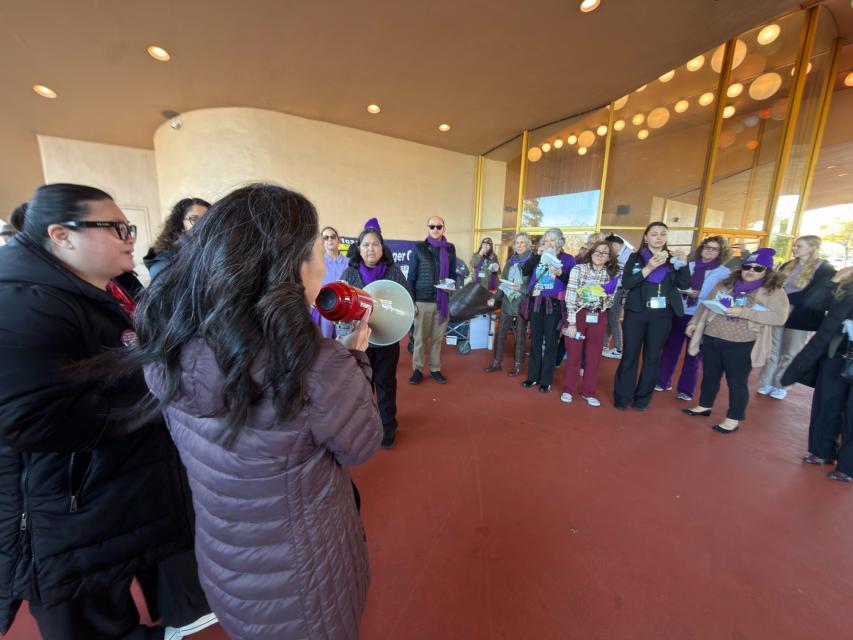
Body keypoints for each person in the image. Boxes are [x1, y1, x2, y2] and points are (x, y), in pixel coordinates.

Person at [131, 184, 382, 640]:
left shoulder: (167, 344)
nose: (325, 264)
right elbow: (362, 443)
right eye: (318, 251)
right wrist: (354, 360)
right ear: (292, 267)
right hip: (304, 584)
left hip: (227, 565)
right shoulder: (315, 366)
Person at [0, 183, 194, 639]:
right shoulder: (23, 304)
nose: (129, 236)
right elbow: (32, 419)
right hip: (63, 511)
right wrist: (159, 397)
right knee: (90, 623)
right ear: (61, 236)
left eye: (128, 226)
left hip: (111, 495)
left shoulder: (114, 288)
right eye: (114, 227)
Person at [683, 248, 789, 433]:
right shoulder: (726, 284)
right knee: (710, 375)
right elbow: (706, 304)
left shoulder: (773, 292)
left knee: (736, 382)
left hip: (742, 343)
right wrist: (694, 322)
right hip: (713, 337)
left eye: (758, 268)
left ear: (768, 271)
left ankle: (733, 418)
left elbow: (779, 317)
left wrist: (744, 312)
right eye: (748, 266)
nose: (751, 271)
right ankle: (705, 405)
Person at [339, 225, 410, 448]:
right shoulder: (350, 273)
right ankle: (365, 425)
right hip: (359, 339)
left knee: (386, 382)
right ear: (359, 249)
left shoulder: (394, 272)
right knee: (361, 383)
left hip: (387, 338)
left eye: (375, 244)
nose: (371, 248)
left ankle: (388, 425)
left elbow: (406, 300)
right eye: (366, 244)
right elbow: (342, 305)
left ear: (382, 249)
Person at [782, 266, 853, 482]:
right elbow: (813, 303)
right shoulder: (846, 287)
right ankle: (821, 451)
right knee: (826, 403)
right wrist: (834, 279)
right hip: (837, 354)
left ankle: (848, 466)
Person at [613, 222, 691, 411]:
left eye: (663, 234)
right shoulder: (636, 257)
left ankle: (642, 399)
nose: (658, 237)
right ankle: (622, 398)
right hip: (637, 313)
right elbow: (628, 283)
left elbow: (684, 284)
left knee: (652, 358)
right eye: (654, 234)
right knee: (630, 356)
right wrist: (648, 267)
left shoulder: (673, 259)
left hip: (662, 316)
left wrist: (684, 265)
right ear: (646, 237)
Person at [758, 235, 835, 400]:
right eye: (794, 246)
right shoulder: (787, 265)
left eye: (799, 246)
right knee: (774, 350)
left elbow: (817, 295)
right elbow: (773, 285)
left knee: (791, 352)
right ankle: (768, 382)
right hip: (779, 312)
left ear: (813, 247)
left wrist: (783, 299)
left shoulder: (825, 269)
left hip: (802, 317)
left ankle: (782, 384)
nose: (794, 249)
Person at [656, 236, 731, 400]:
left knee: (694, 353)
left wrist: (702, 296)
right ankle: (662, 381)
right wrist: (687, 291)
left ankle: (686, 389)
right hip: (680, 312)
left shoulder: (724, 273)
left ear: (721, 252)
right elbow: (674, 285)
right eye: (706, 247)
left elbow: (723, 296)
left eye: (714, 248)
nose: (709, 251)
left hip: (701, 315)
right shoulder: (687, 265)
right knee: (670, 349)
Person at [561, 240, 620, 406]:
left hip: (598, 316)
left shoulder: (611, 274)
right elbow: (570, 296)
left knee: (594, 356)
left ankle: (589, 392)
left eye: (604, 253)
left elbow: (610, 299)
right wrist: (571, 323)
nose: (600, 255)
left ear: (609, 257)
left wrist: (600, 296)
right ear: (591, 253)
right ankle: (568, 389)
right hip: (578, 315)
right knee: (574, 355)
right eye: (597, 252)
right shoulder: (578, 269)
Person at [521, 228, 576, 393]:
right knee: (536, 340)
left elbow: (571, 282)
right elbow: (526, 270)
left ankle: (546, 379)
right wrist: (538, 255)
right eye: (546, 240)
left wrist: (559, 272)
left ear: (560, 242)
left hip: (555, 304)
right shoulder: (539, 257)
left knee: (551, 342)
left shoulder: (568, 259)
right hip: (537, 302)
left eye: (553, 240)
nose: (549, 243)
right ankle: (532, 376)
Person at [407, 215, 457, 385]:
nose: (435, 229)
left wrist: (450, 287)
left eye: (439, 226)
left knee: (437, 339)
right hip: (422, 301)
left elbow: (452, 275)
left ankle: (435, 368)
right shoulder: (419, 248)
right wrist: (412, 301)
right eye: (432, 226)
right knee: (419, 339)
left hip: (442, 302)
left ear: (444, 228)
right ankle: (418, 370)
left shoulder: (450, 249)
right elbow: (411, 277)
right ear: (427, 228)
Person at [484, 232, 533, 376]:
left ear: (528, 244)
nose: (519, 245)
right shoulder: (510, 261)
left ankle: (518, 365)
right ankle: (496, 362)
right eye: (517, 243)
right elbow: (503, 282)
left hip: (521, 304)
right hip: (507, 303)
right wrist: (495, 298)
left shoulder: (533, 262)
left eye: (522, 242)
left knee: (520, 336)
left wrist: (521, 288)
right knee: (500, 334)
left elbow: (534, 287)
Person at [143, 197, 210, 280]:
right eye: (195, 219)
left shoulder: (209, 251)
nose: (203, 225)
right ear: (180, 224)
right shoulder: (163, 265)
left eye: (207, 220)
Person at [313, 225, 350, 339]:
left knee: (344, 342)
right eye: (326, 237)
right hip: (325, 307)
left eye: (333, 237)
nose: (330, 240)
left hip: (344, 308)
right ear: (322, 242)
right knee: (325, 341)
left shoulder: (349, 263)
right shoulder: (316, 262)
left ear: (338, 240)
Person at [603, 234, 632, 359]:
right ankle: (604, 344)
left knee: (614, 319)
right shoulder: (621, 255)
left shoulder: (629, 256)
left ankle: (619, 348)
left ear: (614, 245)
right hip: (613, 290)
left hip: (620, 291)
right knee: (609, 318)